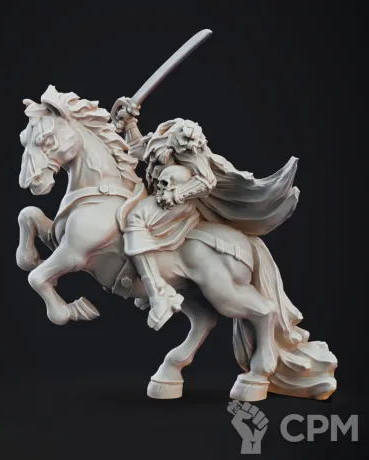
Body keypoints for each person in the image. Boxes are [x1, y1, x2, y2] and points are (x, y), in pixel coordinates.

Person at [112, 97, 299, 328]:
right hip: (159, 196)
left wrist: (177, 195)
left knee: (136, 218)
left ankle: (157, 292)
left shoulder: (183, 134)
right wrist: (129, 122)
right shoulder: (161, 136)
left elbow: (206, 180)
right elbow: (139, 151)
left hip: (176, 202)